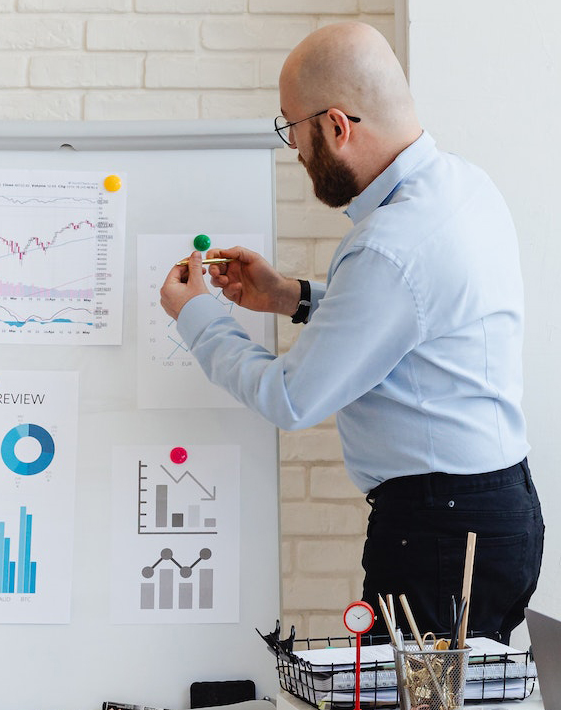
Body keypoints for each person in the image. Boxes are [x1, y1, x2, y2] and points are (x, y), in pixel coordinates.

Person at [157, 21, 541, 643]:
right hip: (495, 508)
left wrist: (197, 316)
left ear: (337, 126)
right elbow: (412, 320)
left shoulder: (390, 247)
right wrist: (291, 297)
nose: (297, 152)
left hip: (439, 530)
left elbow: (291, 397)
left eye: (295, 130)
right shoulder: (465, 186)